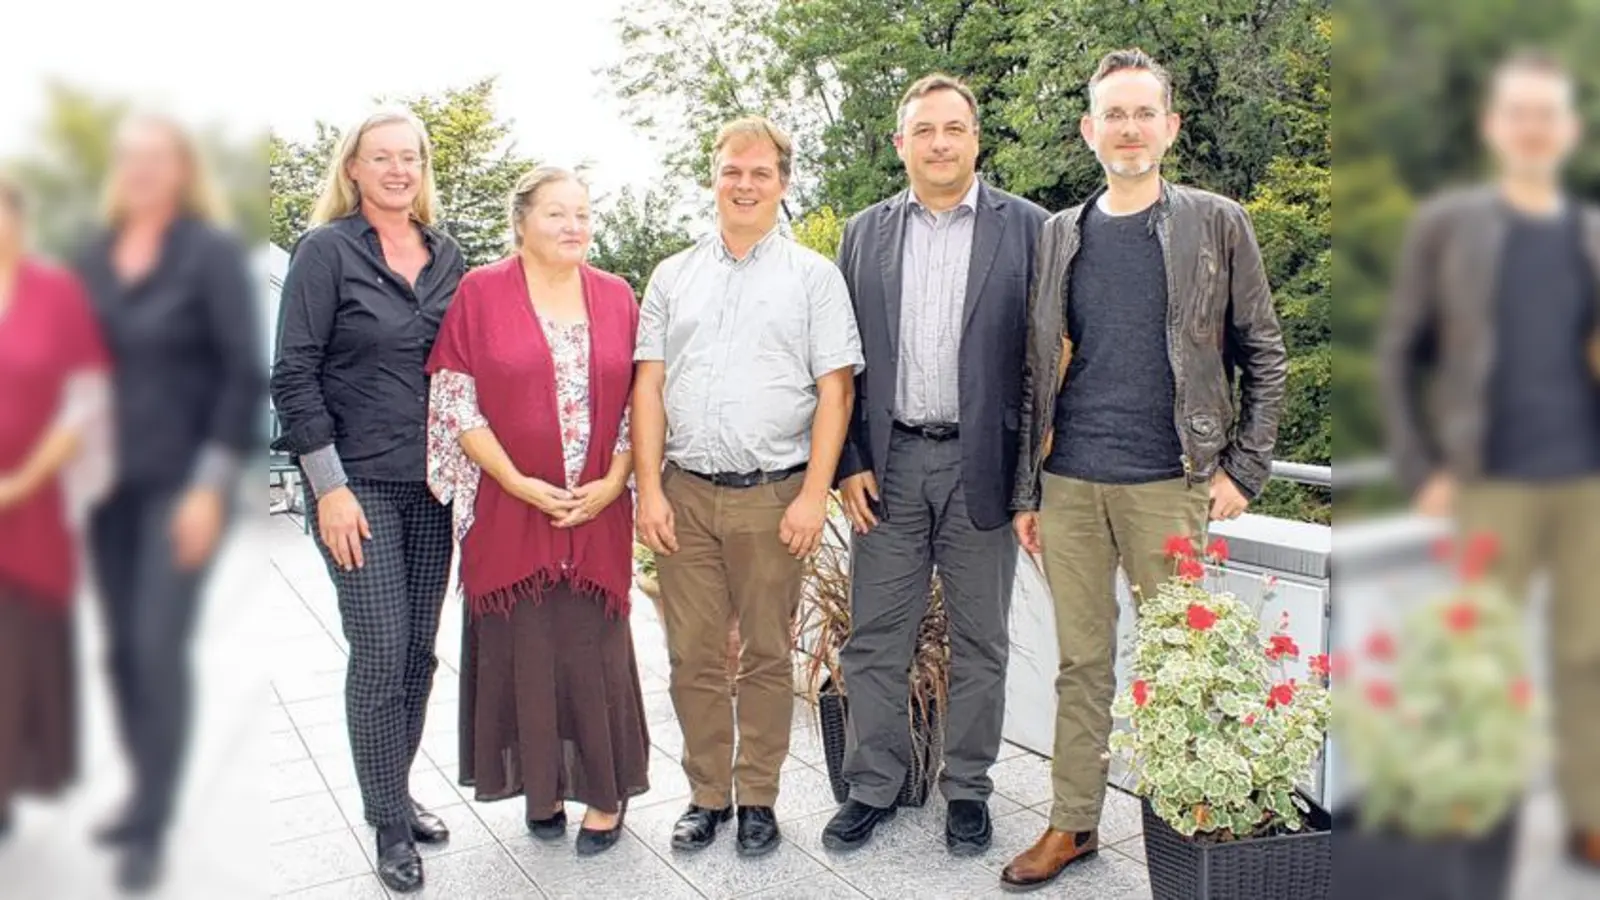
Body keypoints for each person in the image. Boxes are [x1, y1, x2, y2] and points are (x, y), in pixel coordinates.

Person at [1002, 49, 1287, 890]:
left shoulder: (1217, 221)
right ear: (1090, 131)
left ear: (1169, 126)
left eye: (1142, 113)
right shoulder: (1062, 233)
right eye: (1112, 115)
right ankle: (1072, 823)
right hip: (1072, 486)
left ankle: (1193, 820)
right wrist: (1029, 492)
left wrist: (1243, 469)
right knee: (1081, 664)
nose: (1128, 129)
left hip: (1171, 481)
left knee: (1179, 663)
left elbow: (1263, 354)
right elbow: (1036, 373)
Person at [1379, 49, 1600, 871]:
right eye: (1520, 113)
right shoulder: (1449, 227)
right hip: (1488, 479)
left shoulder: (1589, 235)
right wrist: (1421, 467)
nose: (1534, 128)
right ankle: (1484, 822)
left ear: (1567, 130)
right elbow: (1400, 354)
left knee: (1587, 656)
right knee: (1481, 660)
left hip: (1585, 484)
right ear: (1495, 127)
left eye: (1549, 114)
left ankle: (1588, 814)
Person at [823, 73, 1048, 855]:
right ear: (901, 144)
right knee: (876, 638)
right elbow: (840, 362)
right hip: (887, 467)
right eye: (925, 130)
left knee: (981, 640)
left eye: (954, 128)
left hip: (983, 468)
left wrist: (1032, 482)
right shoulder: (863, 233)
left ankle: (968, 791)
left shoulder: (1030, 229)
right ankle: (874, 785)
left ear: (976, 138)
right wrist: (846, 460)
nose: (941, 143)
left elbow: (1045, 364)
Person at [633, 116, 863, 857]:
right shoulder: (673, 276)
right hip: (686, 493)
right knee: (693, 654)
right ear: (713, 176)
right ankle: (707, 794)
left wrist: (812, 494)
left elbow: (837, 393)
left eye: (761, 172)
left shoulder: (813, 277)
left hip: (775, 493)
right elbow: (649, 386)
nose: (745, 183)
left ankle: (758, 796)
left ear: (783, 184)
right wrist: (649, 489)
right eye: (733, 170)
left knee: (766, 652)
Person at [425, 166, 648, 857]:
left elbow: (643, 399)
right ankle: (542, 789)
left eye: (582, 213)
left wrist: (616, 480)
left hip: (595, 510)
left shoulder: (616, 296)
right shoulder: (480, 292)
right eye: (555, 213)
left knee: (591, 649)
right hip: (511, 507)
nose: (572, 226)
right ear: (520, 222)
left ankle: (606, 796)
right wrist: (518, 483)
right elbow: (456, 402)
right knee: (523, 649)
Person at [270, 108, 465, 893]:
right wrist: (329, 489)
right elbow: (292, 374)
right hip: (358, 488)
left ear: (423, 169)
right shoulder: (325, 252)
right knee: (381, 650)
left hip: (433, 488)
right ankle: (387, 823)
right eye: (380, 158)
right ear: (353, 168)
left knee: (418, 651)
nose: (396, 170)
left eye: (409, 158)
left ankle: (398, 789)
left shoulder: (447, 256)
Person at [71, 113, 262, 893]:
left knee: (155, 646)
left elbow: (243, 373)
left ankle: (151, 818)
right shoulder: (93, 258)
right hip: (101, 489)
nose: (142, 171)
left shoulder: (209, 255)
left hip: (179, 487)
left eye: (157, 159)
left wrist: (209, 489)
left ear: (180, 170)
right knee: (118, 653)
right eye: (130, 159)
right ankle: (141, 791)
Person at [0, 173, 113, 845]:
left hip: (30, 501)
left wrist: (22, 481)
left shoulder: (54, 293)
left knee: (18, 642)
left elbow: (87, 396)